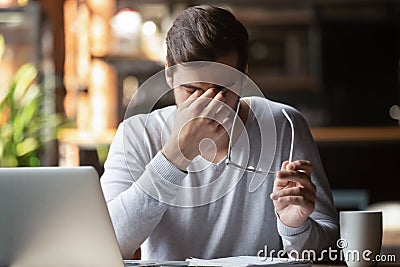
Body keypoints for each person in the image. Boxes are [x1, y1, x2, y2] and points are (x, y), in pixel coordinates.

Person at [100, 5, 339, 261]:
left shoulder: (284, 124)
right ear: (169, 74)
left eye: (223, 89)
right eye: (191, 90)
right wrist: (174, 157)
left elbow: (330, 251)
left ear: (244, 76)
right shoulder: (137, 135)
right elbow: (105, 245)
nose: (208, 106)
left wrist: (296, 228)